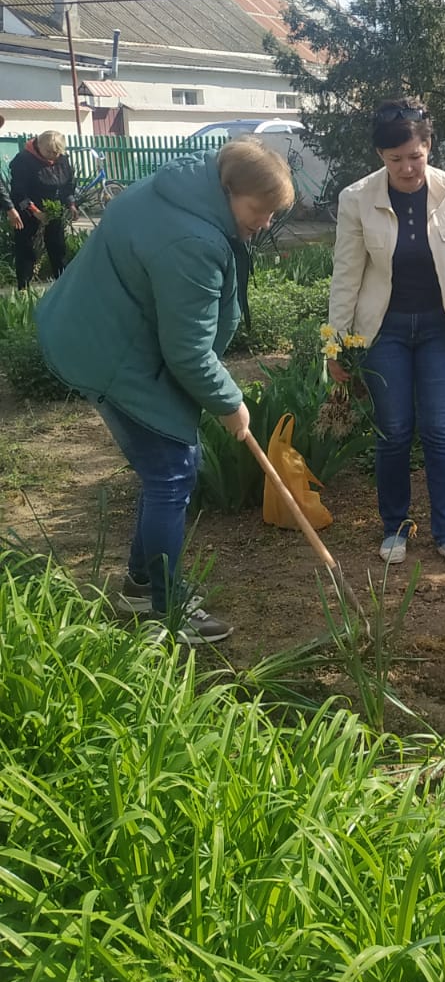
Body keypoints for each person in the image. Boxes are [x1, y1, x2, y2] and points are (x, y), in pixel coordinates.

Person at [36, 138, 294, 643]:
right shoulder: (191, 241)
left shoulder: (183, 185)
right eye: (258, 210)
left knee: (170, 469)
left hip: (106, 328)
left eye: (272, 213)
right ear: (229, 188)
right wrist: (230, 403)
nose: (265, 223)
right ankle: (164, 607)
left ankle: (141, 587)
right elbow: (188, 352)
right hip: (113, 352)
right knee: (171, 473)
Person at [327, 100, 445, 570]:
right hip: (385, 331)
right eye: (394, 158)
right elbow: (346, 273)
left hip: (443, 329)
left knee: (439, 431)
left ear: (428, 146)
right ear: (380, 155)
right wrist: (335, 342)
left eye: (414, 156)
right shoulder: (356, 198)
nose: (406, 168)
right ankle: (395, 528)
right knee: (395, 431)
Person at [8, 130, 76, 288]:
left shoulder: (62, 159)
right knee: (26, 248)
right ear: (39, 146)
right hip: (28, 209)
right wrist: (35, 211)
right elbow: (18, 192)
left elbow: (68, 185)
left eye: (56, 152)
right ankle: (24, 289)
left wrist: (71, 204)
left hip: (53, 209)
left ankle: (63, 284)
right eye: (49, 152)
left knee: (58, 246)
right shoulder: (23, 160)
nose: (52, 156)